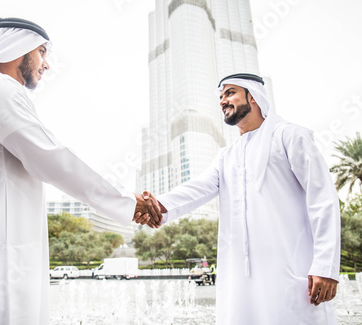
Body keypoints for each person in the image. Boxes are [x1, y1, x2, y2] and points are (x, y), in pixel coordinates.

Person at [0, 18, 161, 325]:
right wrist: (125, 202)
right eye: (42, 52)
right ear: (19, 47)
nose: (46, 65)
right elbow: (50, 157)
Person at [142, 73, 341, 324]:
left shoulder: (290, 136)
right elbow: (198, 188)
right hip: (241, 277)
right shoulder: (227, 155)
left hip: (292, 268)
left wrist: (325, 266)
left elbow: (322, 198)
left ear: (253, 97)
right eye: (221, 96)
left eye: (230, 93)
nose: (223, 100)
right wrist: (155, 206)